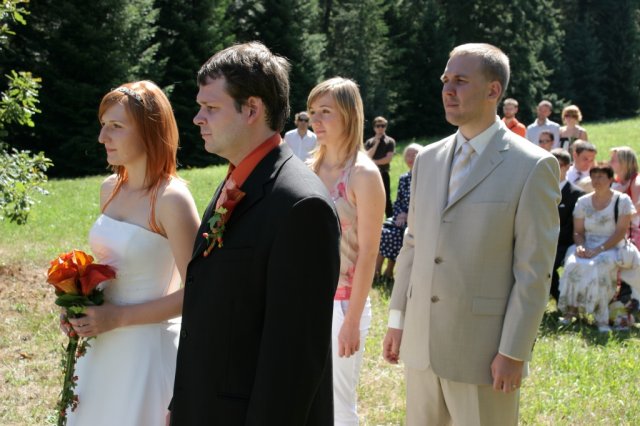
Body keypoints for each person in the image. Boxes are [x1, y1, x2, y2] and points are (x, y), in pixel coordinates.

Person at [382, 43, 560, 425]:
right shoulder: (427, 159)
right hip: (422, 347)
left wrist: (514, 351)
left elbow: (534, 271)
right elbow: (412, 244)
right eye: (446, 80)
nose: (448, 90)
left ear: (493, 90)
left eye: (461, 81)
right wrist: (397, 320)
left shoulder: (533, 166)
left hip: (484, 354)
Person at [169, 42, 341, 425]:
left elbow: (293, 361)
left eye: (211, 107)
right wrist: (182, 402)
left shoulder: (301, 206)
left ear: (251, 109)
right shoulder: (238, 178)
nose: (197, 118)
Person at [64, 81, 201, 426]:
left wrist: (119, 318)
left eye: (116, 126)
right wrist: (78, 307)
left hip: (145, 352)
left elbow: (199, 291)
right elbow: (109, 269)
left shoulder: (172, 199)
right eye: (103, 125)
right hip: (101, 346)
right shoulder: (109, 189)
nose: (102, 137)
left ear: (149, 130)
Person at [308, 77, 385, 425]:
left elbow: (368, 252)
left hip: (342, 304)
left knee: (338, 405)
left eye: (326, 111)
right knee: (306, 398)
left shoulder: (363, 175)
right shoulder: (308, 168)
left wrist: (351, 321)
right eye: (312, 111)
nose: (316, 119)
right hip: (303, 299)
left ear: (350, 115)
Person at [558, 164, 638, 332]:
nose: (596, 180)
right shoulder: (583, 201)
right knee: (572, 263)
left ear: (610, 179)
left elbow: (620, 232)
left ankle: (601, 317)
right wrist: (580, 246)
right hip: (587, 243)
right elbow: (578, 232)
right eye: (593, 176)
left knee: (598, 266)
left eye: (601, 176)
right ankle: (571, 311)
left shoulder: (622, 200)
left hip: (612, 245)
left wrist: (600, 249)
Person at [375, 143, 422, 285]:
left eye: (414, 154)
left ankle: (389, 272)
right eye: (408, 155)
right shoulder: (404, 178)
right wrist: (400, 214)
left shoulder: (426, 178)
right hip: (400, 217)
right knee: (383, 232)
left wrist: (409, 215)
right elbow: (398, 201)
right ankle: (376, 271)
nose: (411, 158)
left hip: (417, 219)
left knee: (395, 235)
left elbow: (426, 203)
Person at [550, 148, 585, 303]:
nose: (554, 169)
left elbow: (572, 225)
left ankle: (561, 300)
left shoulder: (577, 194)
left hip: (564, 242)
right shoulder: (539, 189)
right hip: (541, 239)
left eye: (559, 165)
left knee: (547, 265)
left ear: (568, 167)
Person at [364, 116, 396, 217]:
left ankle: (390, 219)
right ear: (374, 127)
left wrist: (374, 162)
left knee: (386, 198)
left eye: (383, 126)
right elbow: (367, 156)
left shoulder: (390, 141)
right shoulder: (369, 142)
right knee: (370, 198)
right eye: (378, 126)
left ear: (385, 127)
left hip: (383, 173)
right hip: (370, 175)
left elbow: (388, 159)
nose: (380, 128)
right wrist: (376, 143)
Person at [610, 146, 640, 247]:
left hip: (632, 231)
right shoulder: (616, 181)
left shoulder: (636, 182)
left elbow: (637, 208)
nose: (610, 162)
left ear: (624, 163)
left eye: (613, 160)